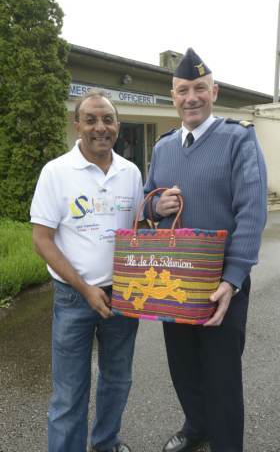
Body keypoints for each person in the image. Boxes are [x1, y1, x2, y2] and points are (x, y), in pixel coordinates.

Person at [144, 48, 267, 452]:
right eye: (183, 90)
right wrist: (154, 206)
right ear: (173, 97)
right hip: (172, 279)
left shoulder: (238, 138)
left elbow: (251, 213)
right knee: (183, 367)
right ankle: (196, 425)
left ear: (213, 91)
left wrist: (233, 279)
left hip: (220, 283)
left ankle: (227, 443)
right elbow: (145, 202)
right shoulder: (162, 148)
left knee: (221, 373)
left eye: (199, 88)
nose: (191, 97)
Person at [30, 90, 144, 452]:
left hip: (123, 296)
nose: (100, 127)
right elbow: (42, 240)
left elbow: (137, 233)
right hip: (73, 298)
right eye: (91, 119)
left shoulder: (131, 172)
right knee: (69, 392)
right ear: (77, 124)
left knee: (117, 380)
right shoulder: (56, 172)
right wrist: (84, 289)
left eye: (107, 119)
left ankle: (106, 441)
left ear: (118, 126)